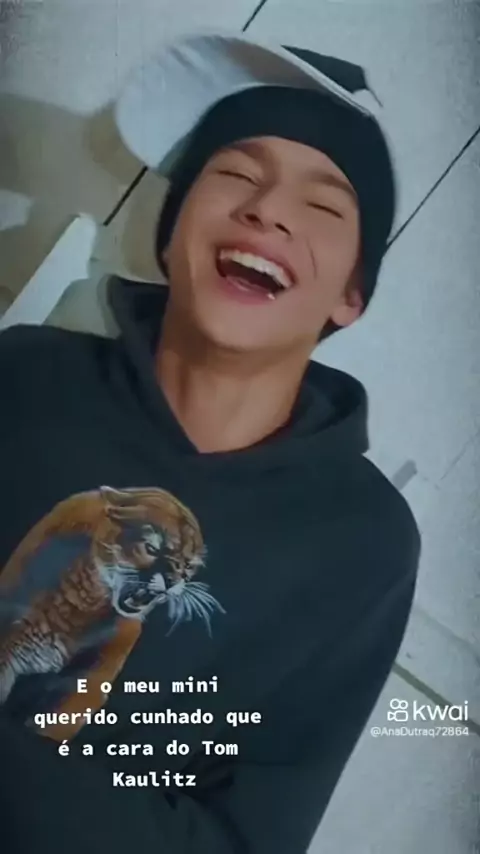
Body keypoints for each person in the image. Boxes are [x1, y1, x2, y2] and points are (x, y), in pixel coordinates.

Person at [0, 32, 420, 854]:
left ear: (352, 292)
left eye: (324, 206)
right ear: (170, 233)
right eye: (234, 175)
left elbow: (249, 835)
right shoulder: (24, 376)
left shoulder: (363, 544)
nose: (268, 210)